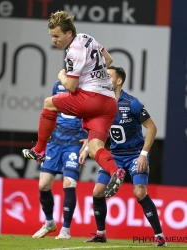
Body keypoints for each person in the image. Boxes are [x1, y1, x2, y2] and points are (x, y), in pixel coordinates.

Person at [22, 10, 125, 197]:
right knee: (95, 149)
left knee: (48, 103)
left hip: (90, 100)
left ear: (69, 33)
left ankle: (39, 150)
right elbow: (109, 60)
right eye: (52, 36)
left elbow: (70, 85)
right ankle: (115, 171)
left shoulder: (73, 52)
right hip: (108, 102)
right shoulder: (87, 38)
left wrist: (61, 75)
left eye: (56, 36)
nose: (54, 40)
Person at [80, 66, 167, 247]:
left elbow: (152, 128)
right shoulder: (101, 104)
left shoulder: (132, 103)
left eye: (109, 76)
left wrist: (143, 154)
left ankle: (159, 236)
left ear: (119, 81)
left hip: (135, 155)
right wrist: (87, 147)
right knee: (97, 191)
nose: (104, 79)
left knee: (139, 192)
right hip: (115, 156)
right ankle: (101, 233)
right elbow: (96, 131)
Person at [32, 80, 87, 240]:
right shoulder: (58, 85)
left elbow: (93, 116)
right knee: (43, 184)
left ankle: (66, 230)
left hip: (74, 143)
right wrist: (42, 143)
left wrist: (89, 138)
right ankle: (49, 223)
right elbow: (50, 111)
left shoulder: (85, 87)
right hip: (55, 142)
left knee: (69, 183)